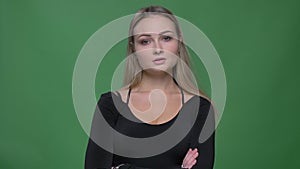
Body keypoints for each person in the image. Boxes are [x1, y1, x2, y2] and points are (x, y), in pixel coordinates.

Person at [85, 5, 215, 169]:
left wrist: (123, 168)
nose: (158, 49)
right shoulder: (110, 104)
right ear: (134, 48)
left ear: (180, 42)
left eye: (166, 38)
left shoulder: (200, 108)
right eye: (145, 41)